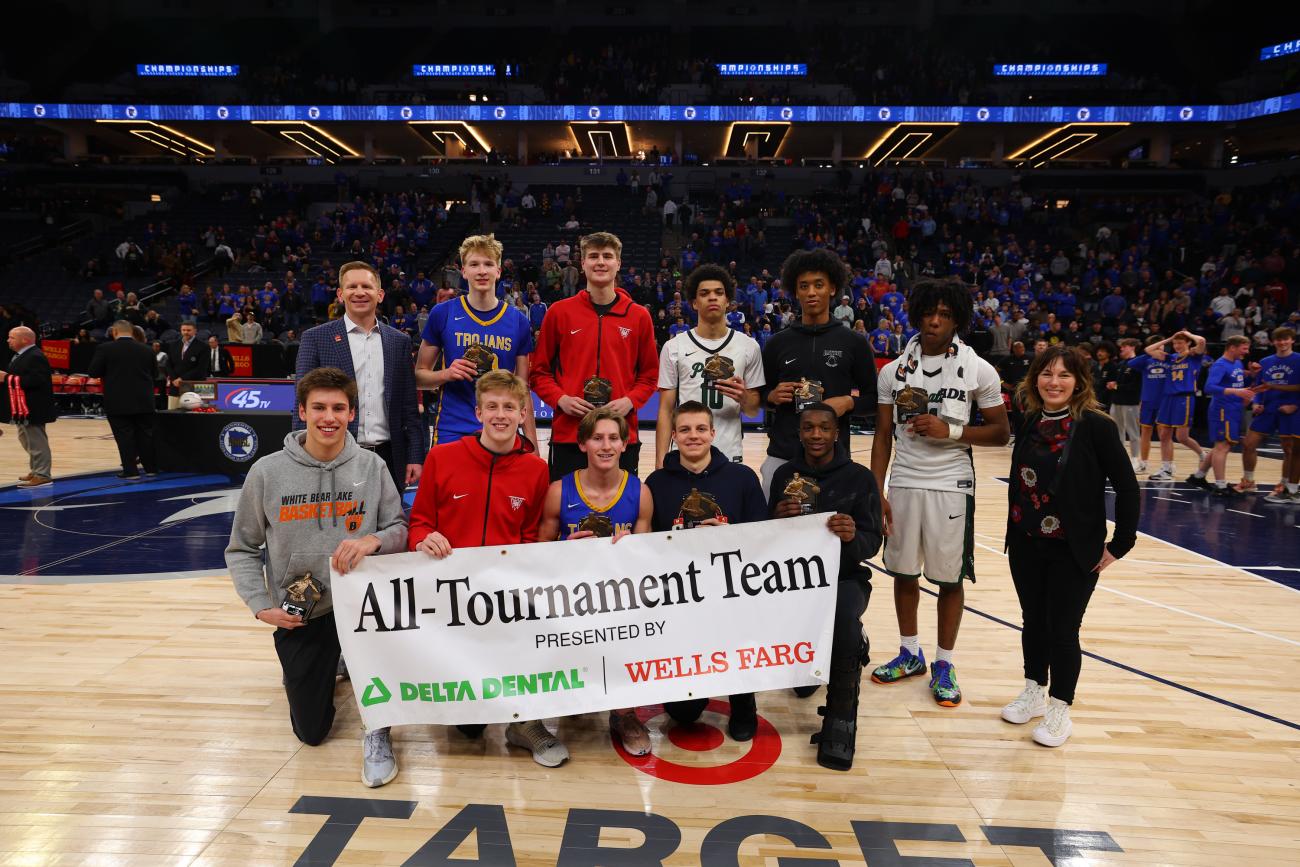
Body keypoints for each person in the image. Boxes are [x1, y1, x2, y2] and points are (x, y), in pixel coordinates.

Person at [225, 367, 408, 786]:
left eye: (339, 408)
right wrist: (261, 606)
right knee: (312, 733)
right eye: (320, 407)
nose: (330, 417)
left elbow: (399, 529)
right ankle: (328, 663)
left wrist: (372, 542)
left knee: (388, 676)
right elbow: (241, 548)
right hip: (305, 612)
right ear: (303, 412)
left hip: (365, 609)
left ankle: (376, 723)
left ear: (352, 413)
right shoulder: (267, 473)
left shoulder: (372, 466)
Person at [407, 371, 564, 765]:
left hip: (506, 594)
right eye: (491, 406)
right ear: (477, 412)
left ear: (523, 412)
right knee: (470, 728)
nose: (500, 415)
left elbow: (531, 536)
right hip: (450, 594)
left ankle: (525, 723)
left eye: (509, 407)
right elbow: (419, 522)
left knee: (528, 649)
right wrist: (424, 538)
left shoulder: (535, 470)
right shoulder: (442, 457)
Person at [869, 278, 1009, 708]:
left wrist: (949, 430)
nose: (935, 320)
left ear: (958, 319)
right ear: (916, 314)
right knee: (903, 572)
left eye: (945, 314)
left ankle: (945, 662)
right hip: (905, 481)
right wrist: (877, 489)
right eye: (929, 312)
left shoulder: (979, 369)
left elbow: (1001, 433)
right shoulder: (892, 371)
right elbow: (882, 435)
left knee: (949, 579)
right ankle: (910, 652)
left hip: (951, 483)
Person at [1002, 346, 1139, 747]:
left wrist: (1122, 543)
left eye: (1063, 375)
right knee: (1032, 621)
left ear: (1079, 382)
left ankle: (1060, 708)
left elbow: (1127, 487)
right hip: (1027, 542)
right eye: (1046, 374)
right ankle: (1033, 692)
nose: (1054, 382)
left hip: (1073, 548)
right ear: (1035, 379)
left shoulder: (1096, 425)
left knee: (1063, 630)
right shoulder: (1029, 420)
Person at [769, 403, 883, 770]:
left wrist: (852, 538)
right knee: (801, 680)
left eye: (823, 428)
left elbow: (872, 543)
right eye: (808, 428)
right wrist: (776, 520)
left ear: (836, 433)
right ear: (798, 432)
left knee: (844, 628)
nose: (816, 435)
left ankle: (840, 720)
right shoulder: (785, 474)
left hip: (844, 579)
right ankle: (808, 667)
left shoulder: (860, 478)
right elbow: (763, 540)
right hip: (791, 583)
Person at [645, 401, 767, 740]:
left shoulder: (742, 478)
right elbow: (647, 544)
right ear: (674, 435)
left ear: (713, 433)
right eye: (684, 429)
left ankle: (743, 700)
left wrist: (728, 538)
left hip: (733, 590)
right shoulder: (656, 482)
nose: (693, 436)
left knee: (737, 636)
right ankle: (692, 686)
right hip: (681, 594)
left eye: (700, 429)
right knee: (682, 714)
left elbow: (764, 537)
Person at [539, 407, 654, 755]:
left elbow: (648, 558)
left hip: (620, 597)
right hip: (570, 596)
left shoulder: (640, 493)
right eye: (598, 438)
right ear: (583, 443)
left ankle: (624, 714)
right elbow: (539, 549)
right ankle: (573, 695)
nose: (606, 445)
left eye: (613, 438)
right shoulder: (560, 490)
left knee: (631, 636)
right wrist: (564, 548)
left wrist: (633, 551)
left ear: (625, 444)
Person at [530, 232, 658, 481]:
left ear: (618, 263)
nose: (601, 262)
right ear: (583, 263)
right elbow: (539, 372)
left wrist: (630, 401)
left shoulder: (639, 316)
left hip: (621, 436)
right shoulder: (559, 312)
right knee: (565, 512)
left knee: (621, 514)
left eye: (608, 256)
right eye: (594, 256)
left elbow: (650, 376)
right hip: (569, 434)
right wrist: (561, 399)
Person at [296, 261, 424, 491]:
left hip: (389, 457)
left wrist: (414, 455)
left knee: (388, 525)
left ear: (380, 294)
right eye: (352, 286)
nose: (359, 292)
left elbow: (409, 407)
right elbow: (301, 403)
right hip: (334, 454)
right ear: (340, 294)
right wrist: (301, 455)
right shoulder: (315, 338)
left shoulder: (399, 342)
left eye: (366, 286)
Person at [759, 249, 877, 497]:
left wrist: (848, 402)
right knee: (775, 534)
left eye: (818, 285)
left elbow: (874, 400)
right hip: (783, 457)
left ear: (832, 288)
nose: (811, 292)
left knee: (833, 535)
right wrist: (770, 396)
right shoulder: (777, 343)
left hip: (834, 462)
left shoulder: (854, 342)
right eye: (804, 286)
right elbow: (759, 395)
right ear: (796, 291)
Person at [415, 235, 537, 449]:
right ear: (464, 271)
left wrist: (533, 447)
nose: (482, 271)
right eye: (474, 264)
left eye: (488, 264)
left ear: (498, 271)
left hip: (501, 428)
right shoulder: (442, 313)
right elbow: (419, 377)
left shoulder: (518, 321)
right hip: (452, 429)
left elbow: (523, 389)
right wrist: (446, 374)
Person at [654, 264, 763, 469]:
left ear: (728, 301)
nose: (712, 297)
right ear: (694, 303)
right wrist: (660, 464)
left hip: (730, 455)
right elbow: (666, 411)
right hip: (684, 454)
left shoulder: (749, 346)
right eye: (704, 293)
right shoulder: (673, 347)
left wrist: (744, 397)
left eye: (719, 293)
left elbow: (752, 410)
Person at [1187, 336, 1258, 495]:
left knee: (1222, 446)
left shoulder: (1237, 362)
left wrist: (1249, 374)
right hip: (1222, 409)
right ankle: (1220, 486)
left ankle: (1198, 476)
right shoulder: (1220, 364)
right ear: (1232, 347)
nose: (1247, 352)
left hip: (1233, 408)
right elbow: (1209, 387)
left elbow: (1234, 378)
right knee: (1222, 447)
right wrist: (1236, 392)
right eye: (1244, 349)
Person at [89, 320, 159, 479]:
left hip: (117, 401)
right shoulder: (147, 349)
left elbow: (93, 372)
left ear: (114, 332)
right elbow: (155, 374)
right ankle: (151, 468)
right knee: (146, 434)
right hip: (144, 400)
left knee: (124, 436)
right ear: (132, 332)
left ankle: (131, 471)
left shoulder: (105, 348)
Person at [1239, 327, 1300, 502]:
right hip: (1268, 408)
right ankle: (1248, 480)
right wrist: (1257, 403)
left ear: (1292, 340)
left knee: (1289, 450)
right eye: (1278, 340)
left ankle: (1284, 485)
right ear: (1273, 342)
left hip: (1291, 409)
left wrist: (1295, 405)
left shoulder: (1298, 360)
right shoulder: (1265, 361)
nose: (1282, 343)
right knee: (1249, 443)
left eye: (1285, 339)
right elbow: (1260, 387)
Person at [1, 325, 57, 487]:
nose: (8, 340)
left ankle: (42, 474)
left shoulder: (35, 356)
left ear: (24, 339)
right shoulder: (23, 355)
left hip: (33, 407)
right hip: (22, 408)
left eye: (11, 337)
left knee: (37, 442)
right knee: (26, 439)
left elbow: (35, 381)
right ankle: (36, 470)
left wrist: (6, 378)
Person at [1147, 329, 1206, 481]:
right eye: (1175, 343)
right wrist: (1169, 338)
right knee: (1164, 435)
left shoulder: (1193, 356)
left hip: (1184, 398)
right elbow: (1149, 349)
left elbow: (1201, 341)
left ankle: (1202, 454)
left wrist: (1188, 334)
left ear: (1187, 343)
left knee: (1182, 437)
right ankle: (1166, 469)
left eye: (1180, 342)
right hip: (1167, 398)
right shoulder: (1170, 358)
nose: (1177, 345)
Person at [1125, 334, 1170, 474]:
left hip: (1165, 401)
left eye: (1161, 345)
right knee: (1145, 432)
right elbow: (1130, 363)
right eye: (1156, 346)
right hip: (1147, 401)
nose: (1160, 348)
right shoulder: (1146, 361)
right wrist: (1148, 355)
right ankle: (1143, 463)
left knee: (1164, 434)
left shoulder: (1170, 359)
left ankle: (1167, 465)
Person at [1109, 339, 1144, 466]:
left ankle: (1135, 459)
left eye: (1124, 346)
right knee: (1117, 432)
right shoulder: (1120, 364)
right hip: (1116, 401)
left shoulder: (1138, 364)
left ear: (1132, 347)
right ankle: (1119, 457)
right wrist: (1113, 385)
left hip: (1130, 403)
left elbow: (1136, 386)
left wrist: (1116, 386)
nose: (1121, 349)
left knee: (1133, 431)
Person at [165, 322, 207, 409]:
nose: (186, 332)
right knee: (172, 414)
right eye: (183, 330)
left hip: (194, 386)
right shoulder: (173, 345)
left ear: (195, 331)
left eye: (188, 330)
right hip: (175, 386)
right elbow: (168, 364)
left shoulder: (203, 346)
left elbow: (201, 368)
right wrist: (174, 379)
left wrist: (182, 379)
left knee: (193, 417)